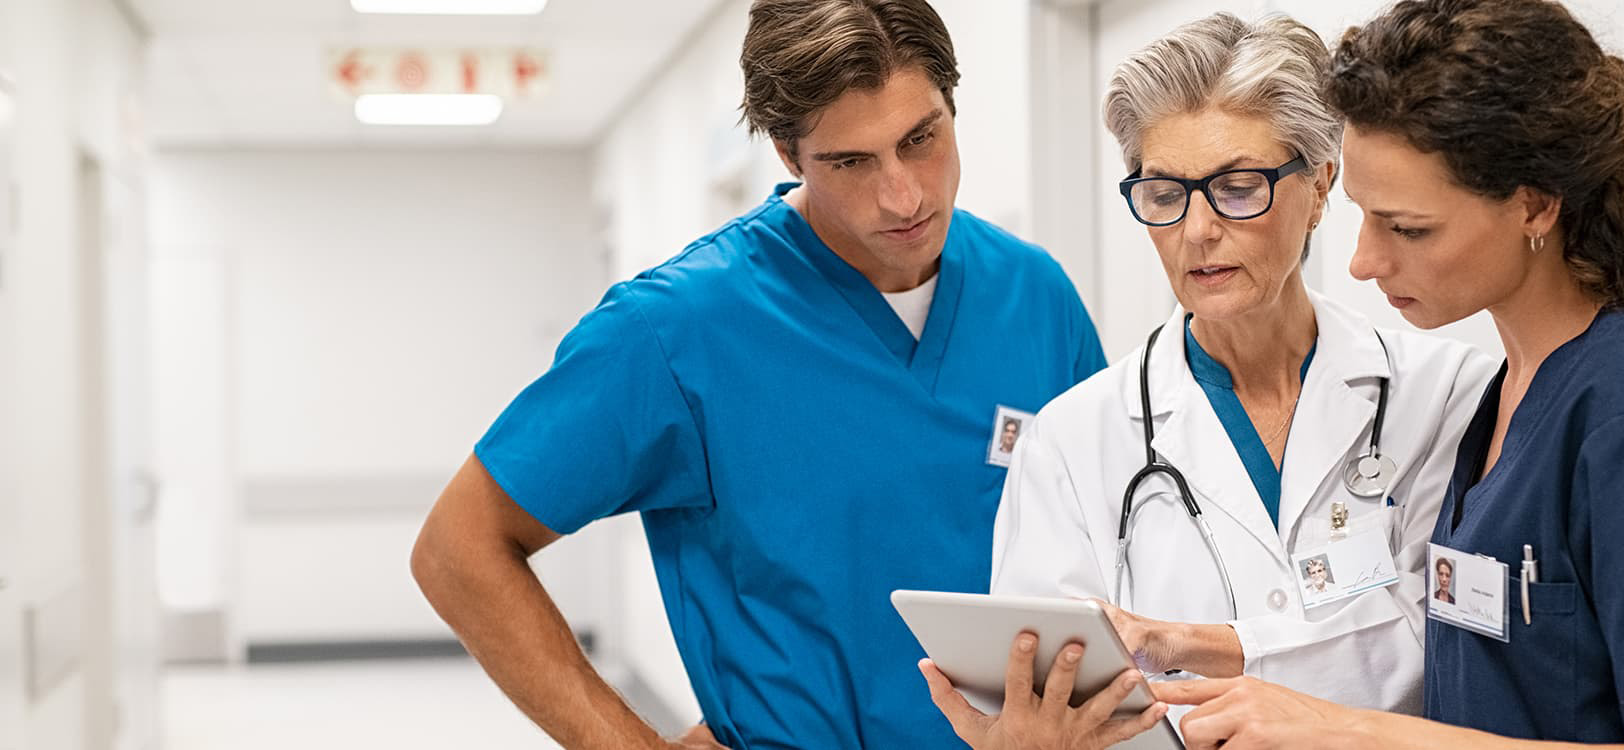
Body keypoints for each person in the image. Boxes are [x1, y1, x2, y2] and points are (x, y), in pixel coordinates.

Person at [408, 2, 1106, 748]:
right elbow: (458, 549)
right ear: (785, 151)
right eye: (851, 162)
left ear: (950, 106)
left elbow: (1108, 542)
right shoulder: (678, 329)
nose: (903, 195)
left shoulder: (1036, 296)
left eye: (920, 139)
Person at [1150, 1, 1624, 748]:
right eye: (1362, 214)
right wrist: (1217, 647)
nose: (1364, 261)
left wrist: (1345, 732)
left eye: (1409, 228)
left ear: (1536, 205)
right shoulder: (1505, 395)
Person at [919, 13, 1494, 749]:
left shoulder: (1446, 397)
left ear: (1319, 186)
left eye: (1238, 185)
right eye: (1163, 193)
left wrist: (1204, 643)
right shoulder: (1070, 441)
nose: (1197, 230)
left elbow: (1445, 642)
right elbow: (1048, 706)